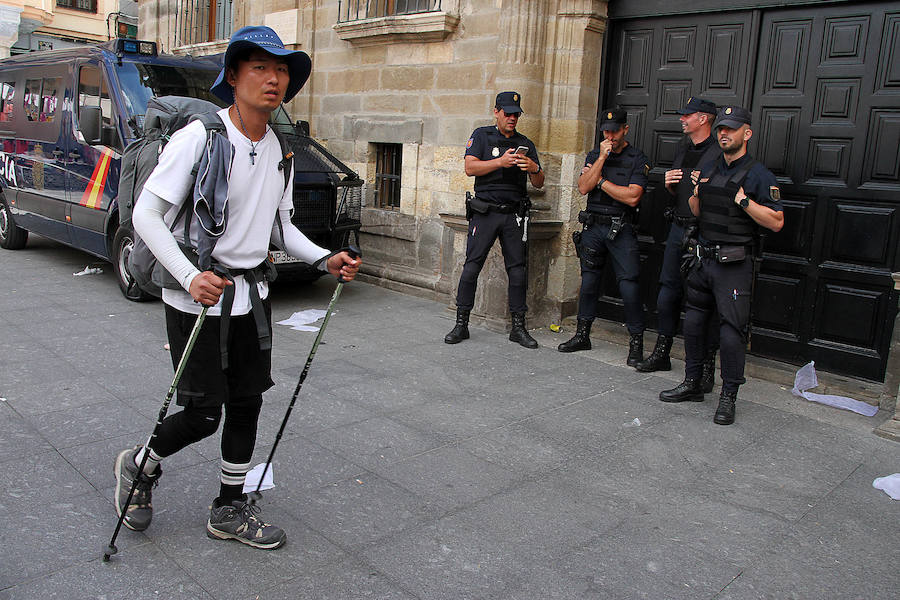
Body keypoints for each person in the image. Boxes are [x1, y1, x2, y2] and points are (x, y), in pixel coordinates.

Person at [114, 26, 360, 549]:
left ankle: (229, 508)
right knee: (203, 413)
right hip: (197, 297)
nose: (273, 80)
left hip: (251, 298)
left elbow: (279, 226)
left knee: (247, 402)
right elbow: (146, 214)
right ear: (233, 76)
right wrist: (189, 275)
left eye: (282, 71)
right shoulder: (201, 137)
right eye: (260, 69)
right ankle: (139, 466)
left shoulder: (280, 149)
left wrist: (324, 257)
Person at [659, 106, 783, 425]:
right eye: (721, 129)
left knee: (731, 333)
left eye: (731, 129)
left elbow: (777, 221)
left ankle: (728, 396)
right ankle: (694, 382)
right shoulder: (712, 166)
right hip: (703, 259)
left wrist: (743, 201)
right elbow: (696, 209)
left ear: (747, 133)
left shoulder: (758, 174)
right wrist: (697, 194)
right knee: (694, 325)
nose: (724, 133)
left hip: (734, 265)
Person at [444, 91, 545, 348]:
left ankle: (518, 327)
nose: (512, 118)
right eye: (508, 113)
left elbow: (539, 182)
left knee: (518, 271)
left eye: (516, 114)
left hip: (514, 214)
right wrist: (500, 161)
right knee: (471, 267)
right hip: (486, 212)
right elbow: (470, 168)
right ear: (496, 112)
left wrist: (534, 168)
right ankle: (461, 324)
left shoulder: (526, 142)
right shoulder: (481, 135)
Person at [635, 97, 720, 387]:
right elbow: (680, 191)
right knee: (667, 292)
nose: (682, 119)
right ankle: (662, 351)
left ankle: (706, 365)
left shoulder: (719, 151)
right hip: (677, 228)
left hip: (704, 233)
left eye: (688, 115)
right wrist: (671, 186)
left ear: (704, 118)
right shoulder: (684, 148)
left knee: (703, 300)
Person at [558, 108, 651, 366]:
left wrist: (601, 183)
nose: (609, 135)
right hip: (594, 227)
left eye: (614, 131)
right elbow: (583, 186)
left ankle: (636, 343)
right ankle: (582, 335)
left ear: (625, 130)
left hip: (620, 228)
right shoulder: (594, 154)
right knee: (589, 284)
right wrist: (600, 159)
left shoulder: (637, 158)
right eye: (606, 131)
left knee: (629, 285)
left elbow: (632, 196)